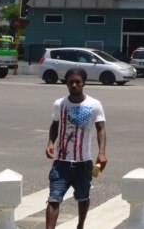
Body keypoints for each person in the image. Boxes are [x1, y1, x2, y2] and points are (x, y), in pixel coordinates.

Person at [45, 68, 107, 229]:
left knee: (83, 197)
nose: (74, 85)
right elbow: (55, 124)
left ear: (84, 83)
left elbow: (101, 128)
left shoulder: (94, 104)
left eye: (77, 82)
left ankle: (80, 225)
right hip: (61, 163)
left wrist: (101, 152)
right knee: (53, 198)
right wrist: (51, 142)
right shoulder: (60, 104)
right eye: (70, 82)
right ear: (66, 83)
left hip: (83, 163)